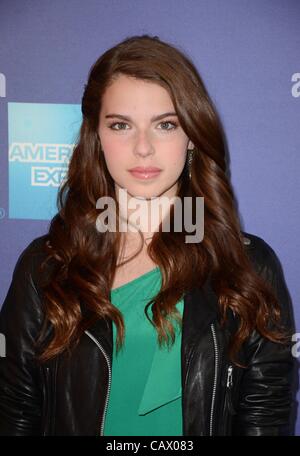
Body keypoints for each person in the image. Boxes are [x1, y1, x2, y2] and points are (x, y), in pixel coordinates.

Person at [0, 34, 295, 436]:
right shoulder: (47, 265)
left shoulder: (248, 264)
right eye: (121, 125)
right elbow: (15, 411)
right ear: (97, 137)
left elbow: (265, 414)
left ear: (191, 135)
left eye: (165, 125)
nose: (143, 147)